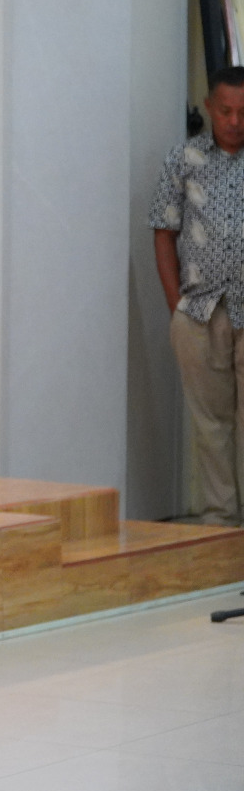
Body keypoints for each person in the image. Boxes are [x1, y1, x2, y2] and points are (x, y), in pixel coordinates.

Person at [153, 66, 244, 527]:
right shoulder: (183, 160)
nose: (234, 121)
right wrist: (176, 307)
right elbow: (164, 233)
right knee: (211, 424)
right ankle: (220, 519)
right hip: (199, 311)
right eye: (225, 110)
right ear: (209, 107)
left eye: (243, 112)